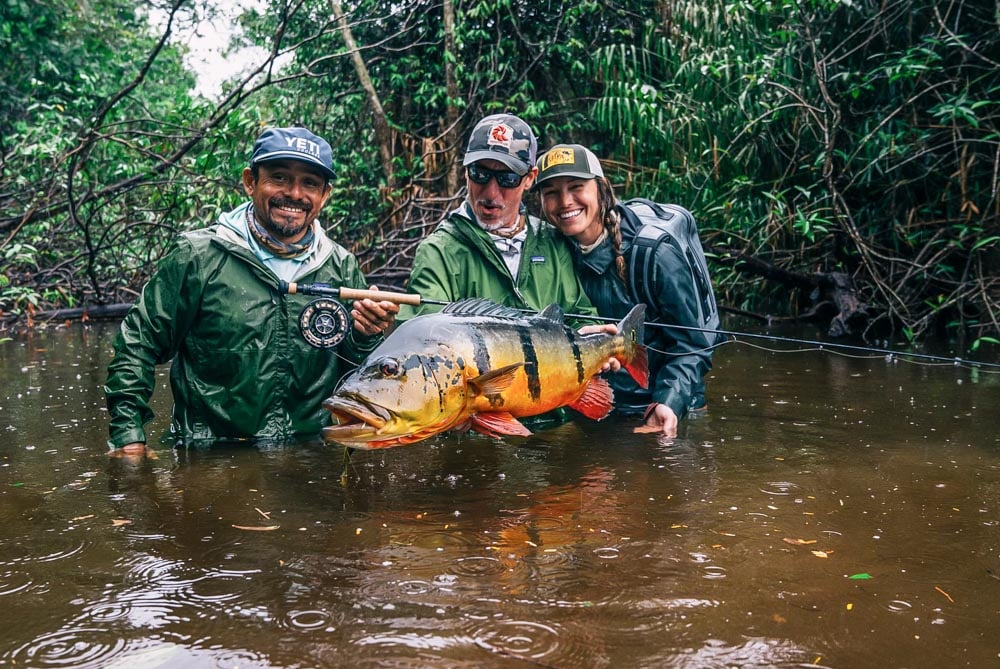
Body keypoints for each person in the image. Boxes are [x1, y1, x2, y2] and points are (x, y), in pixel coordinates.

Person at [105, 126, 398, 454]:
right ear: (250, 181)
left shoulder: (341, 266)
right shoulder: (198, 256)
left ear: (325, 195)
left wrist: (366, 335)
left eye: (310, 184)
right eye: (280, 178)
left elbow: (357, 378)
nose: (295, 194)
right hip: (209, 455)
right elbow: (138, 344)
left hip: (311, 455)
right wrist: (128, 435)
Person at [533, 143, 717, 438]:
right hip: (599, 407)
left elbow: (693, 344)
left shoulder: (656, 253)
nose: (565, 201)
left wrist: (669, 402)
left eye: (576, 187)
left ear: (601, 189)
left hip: (666, 409)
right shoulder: (550, 251)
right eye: (551, 192)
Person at [398, 114, 599, 326]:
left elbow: (581, 318)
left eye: (508, 179)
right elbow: (427, 335)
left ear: (529, 178)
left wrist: (595, 340)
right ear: (466, 172)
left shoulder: (552, 242)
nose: (491, 193)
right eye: (480, 174)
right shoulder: (438, 252)